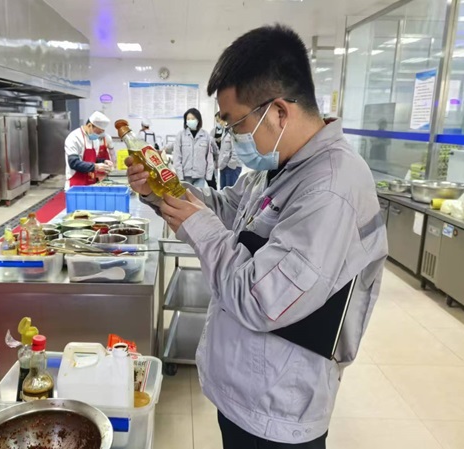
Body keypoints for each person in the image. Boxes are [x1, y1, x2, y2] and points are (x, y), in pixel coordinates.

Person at [126, 24, 387, 448]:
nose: (232, 136)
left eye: (236, 123)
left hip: (278, 410)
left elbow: (261, 299)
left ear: (279, 112)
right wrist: (161, 192)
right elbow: (228, 208)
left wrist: (199, 227)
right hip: (248, 391)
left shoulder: (331, 189)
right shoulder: (282, 165)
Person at [64, 111, 114, 188]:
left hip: (91, 182)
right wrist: (96, 167)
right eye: (97, 132)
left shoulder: (95, 140)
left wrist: (104, 161)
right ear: (90, 125)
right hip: (75, 184)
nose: (98, 135)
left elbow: (93, 159)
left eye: (100, 133)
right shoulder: (74, 138)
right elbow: (73, 163)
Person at [173, 108, 217, 188]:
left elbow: (209, 158)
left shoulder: (205, 135)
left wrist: (208, 176)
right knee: (186, 195)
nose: (190, 121)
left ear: (198, 120)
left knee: (197, 195)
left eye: (193, 119)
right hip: (185, 176)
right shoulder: (181, 135)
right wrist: (180, 177)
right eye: (188, 119)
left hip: (200, 176)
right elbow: (177, 157)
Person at [212, 112, 242, 188]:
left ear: (224, 119)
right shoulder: (224, 131)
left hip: (232, 167)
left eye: (218, 120)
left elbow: (236, 150)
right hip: (224, 166)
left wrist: (230, 165)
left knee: (230, 191)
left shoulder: (234, 131)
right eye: (216, 121)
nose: (218, 123)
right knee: (223, 190)